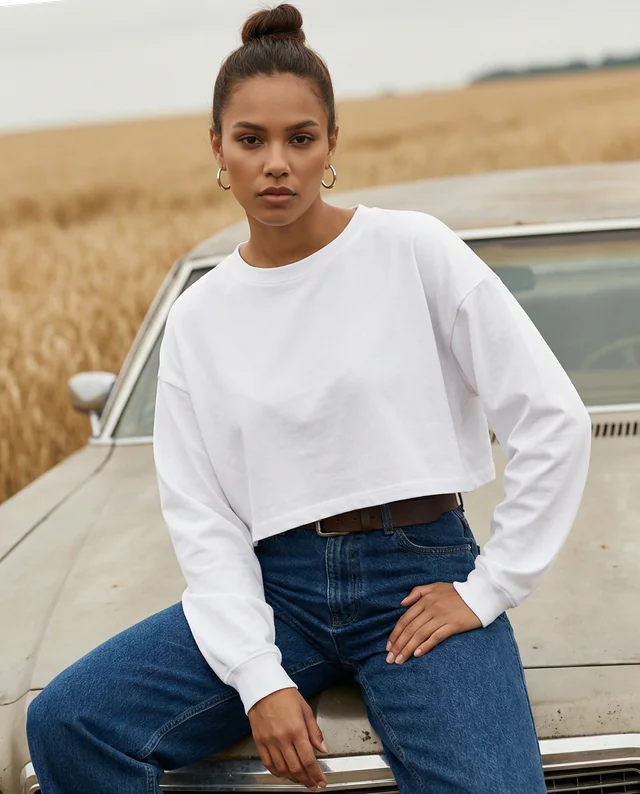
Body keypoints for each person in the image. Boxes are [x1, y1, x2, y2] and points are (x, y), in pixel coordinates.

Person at [26, 4, 592, 793]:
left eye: (300, 138)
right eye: (250, 140)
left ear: (331, 143)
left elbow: (553, 418)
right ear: (218, 149)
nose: (276, 163)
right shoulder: (199, 319)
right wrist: (258, 675)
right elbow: (205, 512)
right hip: (276, 587)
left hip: (416, 575)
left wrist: (487, 590)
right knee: (68, 720)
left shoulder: (413, 249)